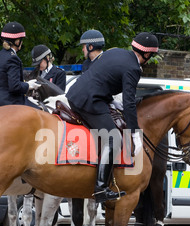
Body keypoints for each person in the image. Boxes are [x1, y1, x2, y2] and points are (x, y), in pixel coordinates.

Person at [66, 32, 159, 203]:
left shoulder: (115, 52)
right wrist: (134, 133)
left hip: (80, 94)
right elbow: (129, 103)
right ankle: (101, 188)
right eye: (151, 56)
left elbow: (102, 80)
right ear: (146, 54)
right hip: (90, 101)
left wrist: (112, 102)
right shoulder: (133, 69)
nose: (150, 58)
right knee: (114, 139)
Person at [0, 21, 40, 107]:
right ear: (17, 42)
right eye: (21, 40)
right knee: (41, 112)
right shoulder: (12, 58)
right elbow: (15, 87)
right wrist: (28, 85)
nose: (22, 42)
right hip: (11, 102)